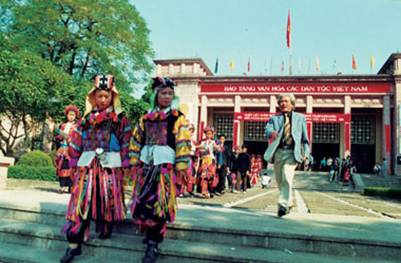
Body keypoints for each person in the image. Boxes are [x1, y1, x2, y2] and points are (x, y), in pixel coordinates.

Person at [60, 74, 132, 263]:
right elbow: (76, 142)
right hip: (87, 166)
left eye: (105, 96)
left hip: (110, 166)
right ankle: (73, 244)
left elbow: (127, 141)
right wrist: (74, 163)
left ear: (112, 97)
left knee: (108, 197)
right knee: (81, 202)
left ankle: (107, 225)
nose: (102, 100)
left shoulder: (120, 119)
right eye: (98, 96)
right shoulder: (85, 120)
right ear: (93, 97)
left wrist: (126, 163)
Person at [129, 77, 191, 263]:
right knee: (144, 199)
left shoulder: (177, 117)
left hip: (165, 166)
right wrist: (133, 159)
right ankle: (149, 234)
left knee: (160, 202)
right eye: (163, 93)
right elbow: (136, 139)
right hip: (147, 165)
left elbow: (183, 141)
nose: (166, 96)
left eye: (170, 93)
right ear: (156, 95)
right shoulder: (145, 118)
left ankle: (153, 242)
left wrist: (181, 166)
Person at [264, 94, 310, 217]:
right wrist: (271, 132)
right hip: (278, 152)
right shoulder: (274, 118)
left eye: (286, 101)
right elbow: (267, 130)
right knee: (280, 180)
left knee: (287, 176)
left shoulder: (300, 118)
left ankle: (282, 205)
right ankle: (288, 203)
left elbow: (305, 139)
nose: (283, 103)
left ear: (292, 104)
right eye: (281, 102)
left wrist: (306, 154)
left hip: (292, 152)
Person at [54, 105, 80, 194]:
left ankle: (71, 186)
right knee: (62, 166)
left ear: (75, 116)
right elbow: (58, 137)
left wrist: (71, 139)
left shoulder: (77, 126)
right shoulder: (63, 125)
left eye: (73, 115)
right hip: (63, 148)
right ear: (67, 116)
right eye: (70, 115)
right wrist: (60, 135)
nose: (71, 116)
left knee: (72, 168)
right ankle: (62, 186)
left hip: (72, 150)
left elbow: (79, 138)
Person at [197, 126, 220, 198]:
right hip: (204, 160)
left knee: (211, 176)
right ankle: (204, 191)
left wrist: (217, 147)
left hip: (211, 160)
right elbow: (198, 148)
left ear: (212, 134)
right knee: (204, 176)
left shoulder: (213, 142)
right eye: (207, 134)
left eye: (210, 134)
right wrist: (199, 149)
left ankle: (211, 190)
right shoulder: (203, 142)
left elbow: (217, 148)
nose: (208, 135)